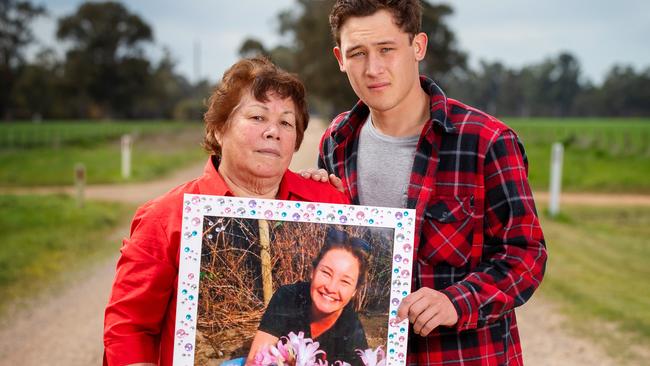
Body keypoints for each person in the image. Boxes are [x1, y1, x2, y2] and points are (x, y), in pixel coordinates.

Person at [309, 1, 548, 365]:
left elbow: (525, 256)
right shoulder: (336, 141)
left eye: (387, 49)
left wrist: (456, 301)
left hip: (461, 357)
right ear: (340, 58)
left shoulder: (485, 142)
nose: (373, 69)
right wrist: (307, 199)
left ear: (418, 46)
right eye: (358, 53)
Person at [103, 57, 349, 366]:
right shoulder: (168, 216)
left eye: (286, 123)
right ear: (220, 130)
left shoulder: (328, 204)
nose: (273, 131)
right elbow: (129, 328)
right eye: (258, 117)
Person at [247, 228, 370, 366]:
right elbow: (254, 361)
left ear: (355, 291)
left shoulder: (351, 327)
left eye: (345, 281)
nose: (331, 288)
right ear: (312, 271)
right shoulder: (288, 297)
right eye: (326, 273)